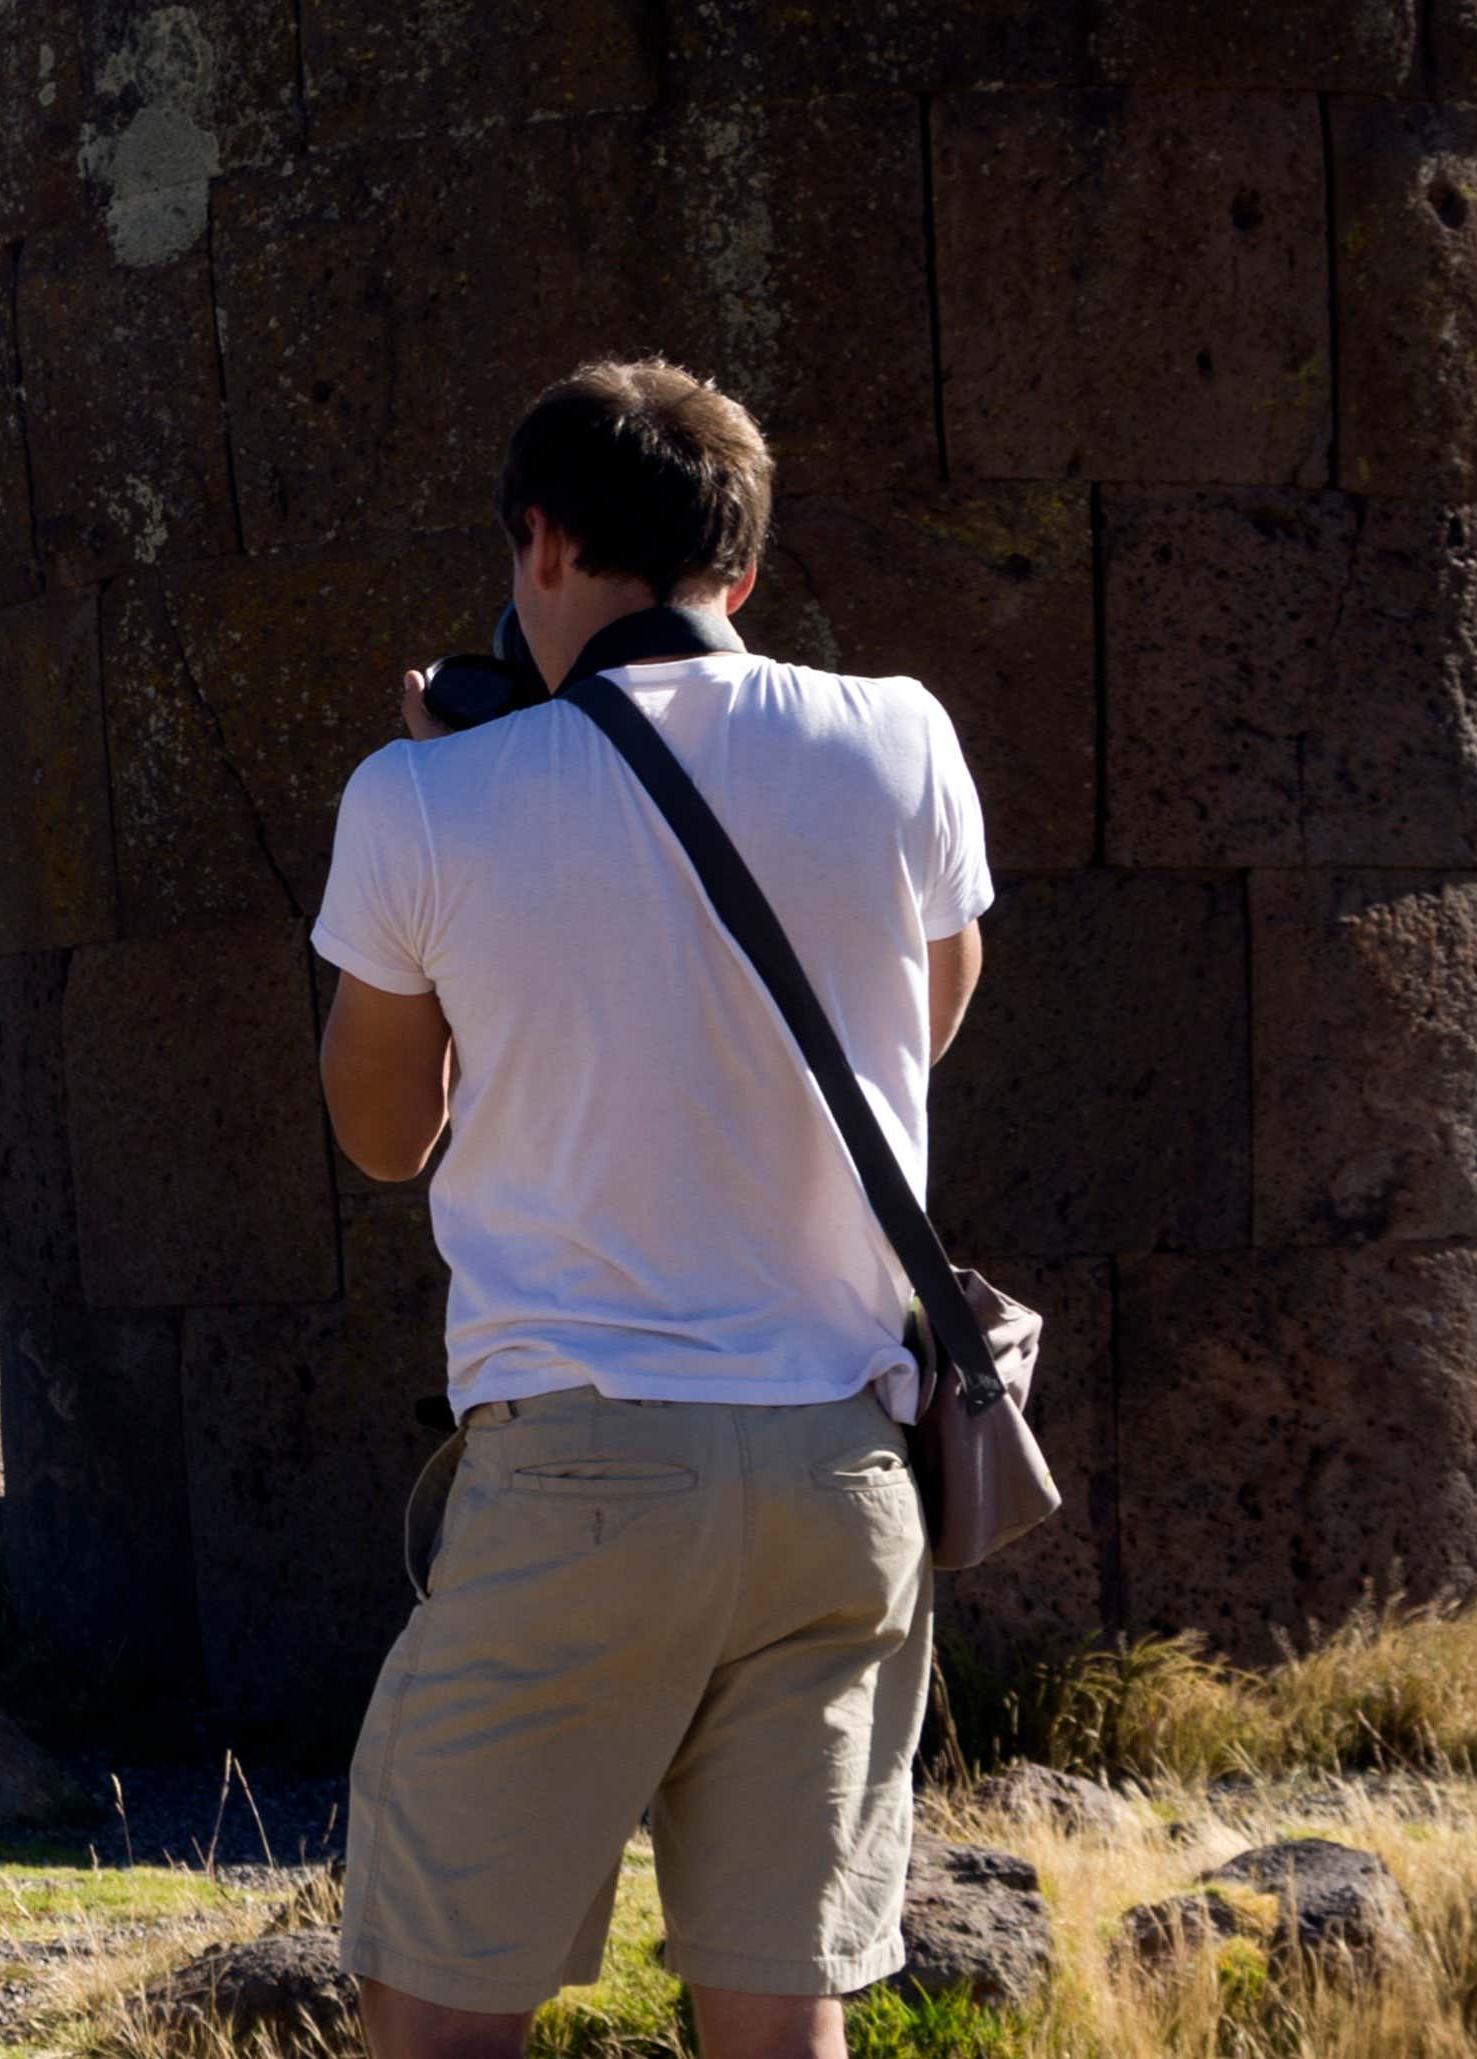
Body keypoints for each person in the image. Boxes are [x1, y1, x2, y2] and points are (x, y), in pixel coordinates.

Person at [305, 360, 992, 2059]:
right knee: (780, 2020)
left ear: (540, 543)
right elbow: (923, 1013)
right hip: (841, 1467)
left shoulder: (424, 796)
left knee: (443, 2014)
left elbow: (385, 1134)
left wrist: (474, 868)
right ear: (737, 574)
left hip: (585, 1475)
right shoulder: (903, 736)